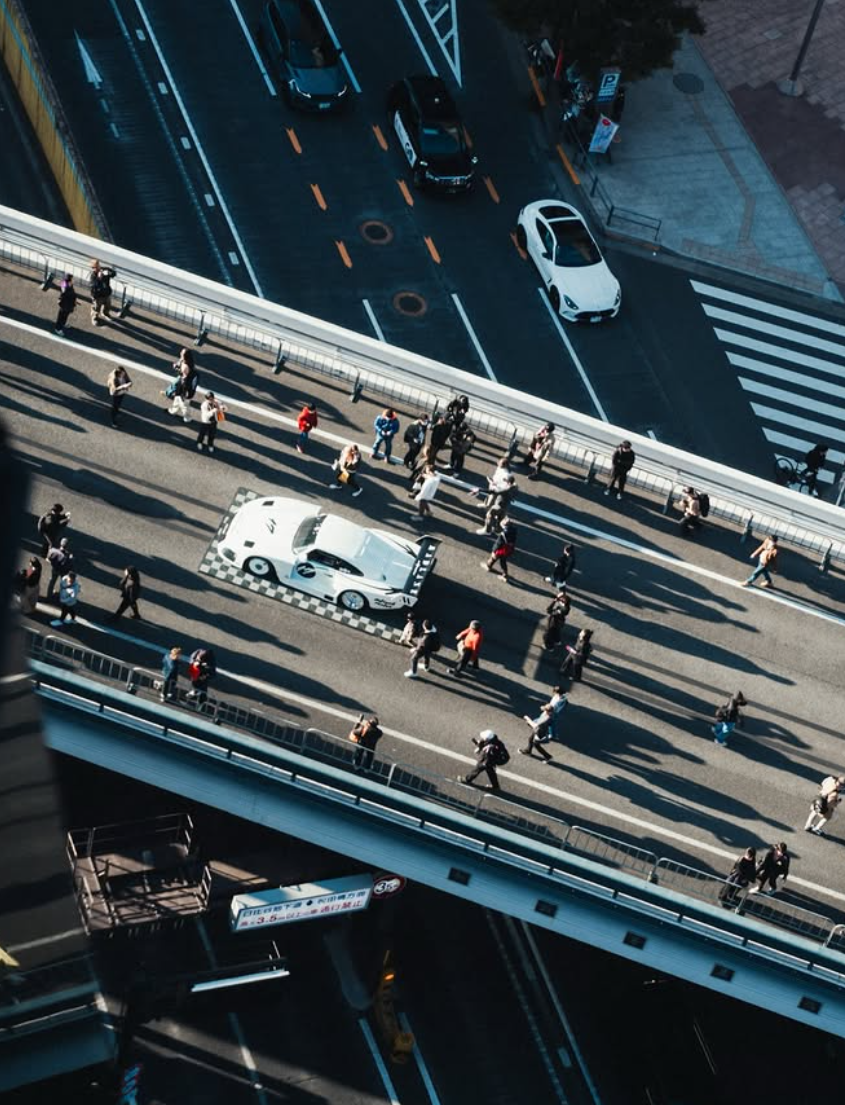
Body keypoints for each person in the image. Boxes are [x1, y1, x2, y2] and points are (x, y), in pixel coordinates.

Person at [164, 349, 198, 422]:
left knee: (184, 404)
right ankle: (173, 411)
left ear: (185, 356)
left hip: (185, 387)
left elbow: (184, 379)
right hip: (183, 385)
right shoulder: (186, 361)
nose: (180, 353)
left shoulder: (185, 366)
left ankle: (187, 418)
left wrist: (183, 392)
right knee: (177, 398)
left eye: (182, 353)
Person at [482, 517, 517, 582]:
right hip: (509, 549)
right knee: (503, 561)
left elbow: (498, 543)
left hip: (501, 550)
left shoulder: (503, 534)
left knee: (493, 557)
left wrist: (493, 551)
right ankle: (505, 574)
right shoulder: (514, 530)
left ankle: (488, 566)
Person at [89, 259, 117, 325]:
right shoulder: (93, 275)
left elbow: (114, 273)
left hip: (106, 292)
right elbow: (93, 285)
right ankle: (94, 318)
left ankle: (105, 313)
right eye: (93, 268)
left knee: (107, 305)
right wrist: (99, 278)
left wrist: (109, 273)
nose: (94, 269)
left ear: (99, 265)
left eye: (95, 267)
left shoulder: (105, 270)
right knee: (96, 308)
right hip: (98, 295)